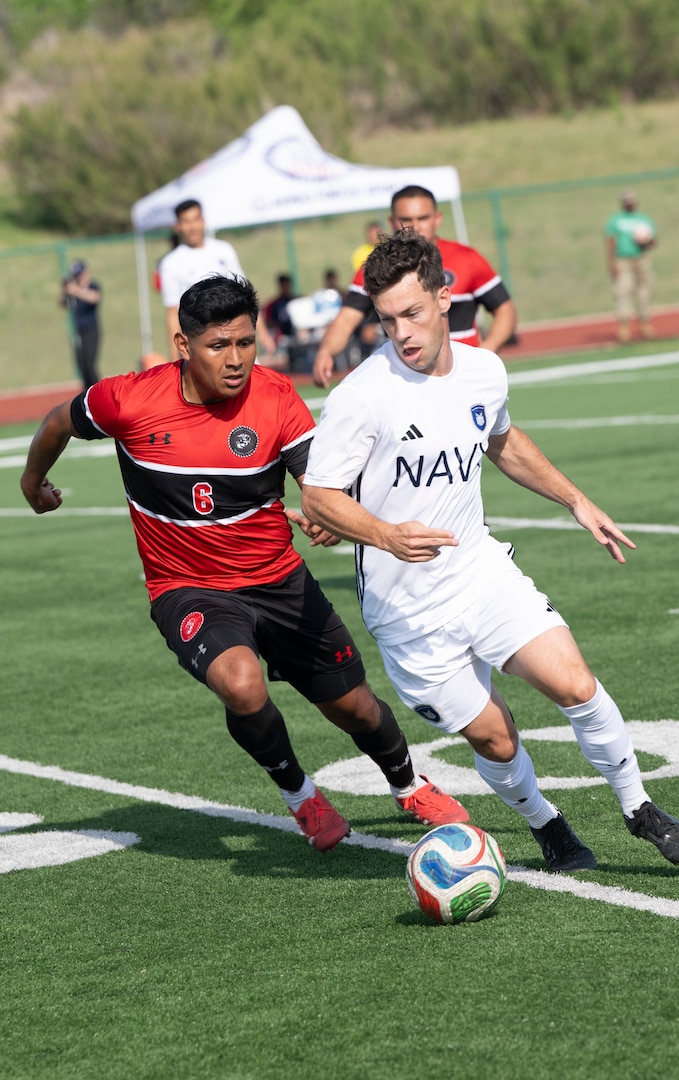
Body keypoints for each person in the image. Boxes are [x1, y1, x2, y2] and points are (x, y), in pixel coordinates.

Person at [20, 273, 467, 853]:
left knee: (354, 707)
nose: (236, 360)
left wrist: (326, 512)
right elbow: (59, 420)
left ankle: (408, 785)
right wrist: (33, 481)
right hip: (187, 588)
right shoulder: (128, 400)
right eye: (218, 346)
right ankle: (301, 795)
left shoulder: (275, 396)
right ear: (183, 346)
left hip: (278, 580)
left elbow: (319, 481)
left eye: (246, 343)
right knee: (241, 683)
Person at [301, 229, 679, 872]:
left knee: (575, 682)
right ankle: (549, 825)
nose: (401, 333)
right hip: (407, 613)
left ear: (444, 296)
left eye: (412, 313)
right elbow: (318, 498)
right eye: (386, 320)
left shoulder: (484, 370)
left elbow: (504, 442)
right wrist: (385, 534)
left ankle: (638, 808)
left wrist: (575, 499)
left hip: (479, 572)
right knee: (495, 735)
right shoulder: (360, 396)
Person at [312, 185, 518, 388]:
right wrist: (326, 352)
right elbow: (347, 319)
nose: (415, 226)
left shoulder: (467, 259)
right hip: (407, 381)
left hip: (465, 378)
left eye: (423, 218)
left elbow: (505, 309)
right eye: (406, 220)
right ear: (392, 222)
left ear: (437, 219)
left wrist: (486, 353)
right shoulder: (377, 269)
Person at [159, 198, 275, 361]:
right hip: (204, 344)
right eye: (186, 221)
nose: (192, 226)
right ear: (177, 226)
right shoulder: (170, 263)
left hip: (236, 335)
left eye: (196, 219)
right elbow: (172, 312)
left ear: (203, 221)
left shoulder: (223, 250)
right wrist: (174, 357)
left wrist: (262, 333)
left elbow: (246, 294)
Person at [604, 190, 657, 342]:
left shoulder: (644, 219)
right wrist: (611, 263)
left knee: (645, 289)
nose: (629, 203)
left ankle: (644, 323)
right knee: (623, 291)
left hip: (641, 258)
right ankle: (624, 326)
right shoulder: (616, 220)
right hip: (623, 259)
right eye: (626, 201)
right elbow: (610, 241)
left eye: (631, 201)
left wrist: (646, 241)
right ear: (622, 203)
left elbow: (654, 241)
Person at [59, 260, 102, 391]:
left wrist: (75, 290)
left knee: (89, 364)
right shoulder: (73, 291)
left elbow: (94, 298)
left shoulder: (93, 286)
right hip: (78, 332)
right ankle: (87, 392)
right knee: (81, 364)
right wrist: (66, 291)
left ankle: (98, 391)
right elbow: (62, 304)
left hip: (91, 330)